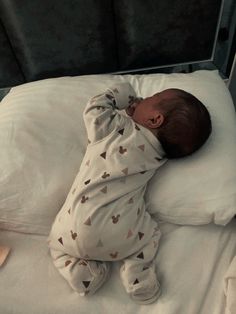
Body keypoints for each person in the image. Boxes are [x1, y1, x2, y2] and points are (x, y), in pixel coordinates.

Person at [48, 82, 212, 304]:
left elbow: (94, 109)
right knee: (150, 235)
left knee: (55, 246)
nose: (143, 99)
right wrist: (139, 110)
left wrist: (123, 95)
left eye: (151, 97)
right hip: (120, 232)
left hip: (69, 229)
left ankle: (84, 275)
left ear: (155, 119)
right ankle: (139, 278)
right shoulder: (159, 155)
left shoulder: (116, 129)